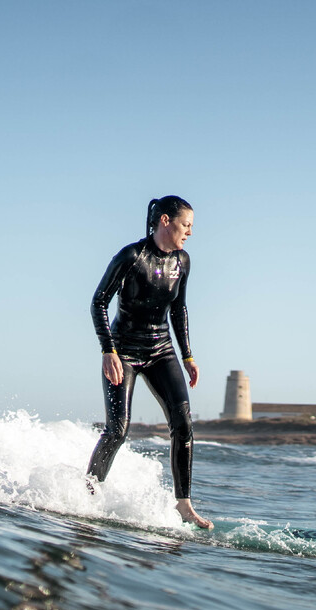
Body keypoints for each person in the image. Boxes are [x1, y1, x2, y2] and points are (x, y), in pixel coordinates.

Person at [86, 195, 213, 529]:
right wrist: (108, 350)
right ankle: (88, 492)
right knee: (118, 429)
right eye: (186, 225)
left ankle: (184, 504)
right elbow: (98, 302)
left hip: (161, 350)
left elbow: (178, 309)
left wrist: (187, 355)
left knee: (183, 423)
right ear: (166, 221)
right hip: (123, 351)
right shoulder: (131, 256)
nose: (189, 232)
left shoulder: (183, 261)